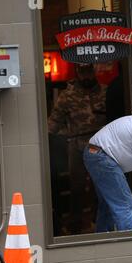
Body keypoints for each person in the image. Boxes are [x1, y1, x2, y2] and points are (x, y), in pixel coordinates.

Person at [48, 63, 107, 234]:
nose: (86, 76)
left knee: (100, 184)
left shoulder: (105, 91)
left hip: (101, 145)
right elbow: (54, 122)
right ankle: (75, 224)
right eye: (83, 72)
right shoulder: (67, 96)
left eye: (89, 71)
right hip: (76, 145)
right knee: (77, 187)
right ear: (78, 73)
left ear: (94, 71)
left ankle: (100, 221)